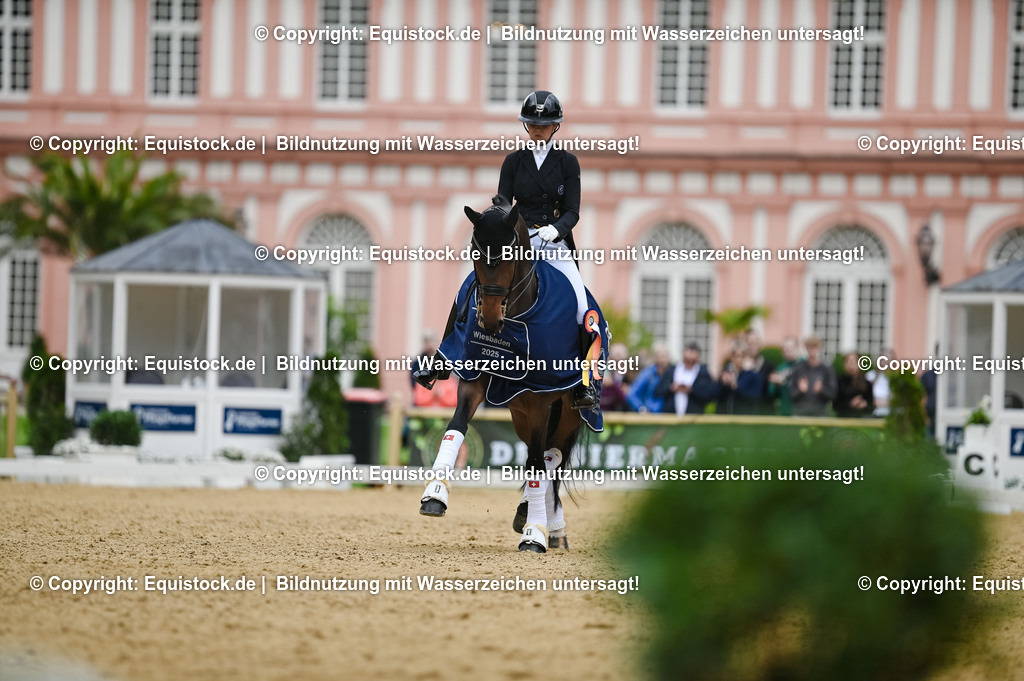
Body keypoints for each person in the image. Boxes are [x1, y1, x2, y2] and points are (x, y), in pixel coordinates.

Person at [494, 89, 595, 409]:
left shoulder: (568, 163)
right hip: (519, 244)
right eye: (532, 123)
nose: (538, 129)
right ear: (525, 126)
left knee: (581, 308)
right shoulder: (513, 162)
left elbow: (573, 211)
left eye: (545, 123)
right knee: (477, 290)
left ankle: (585, 384)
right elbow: (502, 202)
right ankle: (449, 358)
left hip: (554, 244)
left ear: (556, 126)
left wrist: (556, 229)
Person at [659, 342, 718, 415]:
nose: (689, 363)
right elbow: (658, 390)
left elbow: (710, 395)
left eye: (692, 361)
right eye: (687, 360)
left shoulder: (703, 373)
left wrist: (692, 390)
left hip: (694, 418)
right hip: (671, 417)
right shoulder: (672, 370)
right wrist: (671, 388)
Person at [789, 336, 838, 417]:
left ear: (820, 348)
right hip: (800, 413)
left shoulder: (827, 369)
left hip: (820, 414)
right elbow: (791, 394)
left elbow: (833, 394)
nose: (812, 350)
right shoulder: (798, 368)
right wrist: (800, 390)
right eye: (809, 347)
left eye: (815, 347)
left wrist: (821, 390)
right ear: (806, 348)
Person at [715, 340, 764, 415]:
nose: (739, 359)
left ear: (747, 357)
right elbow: (716, 395)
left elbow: (755, 397)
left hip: (745, 418)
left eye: (742, 356)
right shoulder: (727, 372)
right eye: (736, 356)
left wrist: (736, 386)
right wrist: (722, 383)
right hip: (727, 418)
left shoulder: (754, 375)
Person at [627, 344, 674, 413]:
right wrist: (641, 408)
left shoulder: (673, 373)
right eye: (661, 356)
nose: (663, 359)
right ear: (655, 357)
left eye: (665, 356)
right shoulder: (648, 374)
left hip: (669, 415)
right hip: (650, 415)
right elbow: (632, 394)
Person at [767, 336, 800, 415]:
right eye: (785, 348)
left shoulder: (803, 365)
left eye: (790, 347)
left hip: (800, 411)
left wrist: (784, 383)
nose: (788, 351)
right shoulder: (780, 367)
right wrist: (775, 384)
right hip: (784, 410)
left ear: (797, 348)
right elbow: (771, 393)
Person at [836, 351, 874, 417]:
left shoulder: (867, 384)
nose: (851, 364)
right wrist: (850, 404)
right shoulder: (840, 382)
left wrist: (865, 404)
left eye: (854, 362)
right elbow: (836, 404)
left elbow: (871, 405)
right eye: (849, 361)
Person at [600, 342, 631, 412]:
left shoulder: (631, 375)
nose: (617, 363)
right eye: (614, 360)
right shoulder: (604, 374)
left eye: (621, 359)